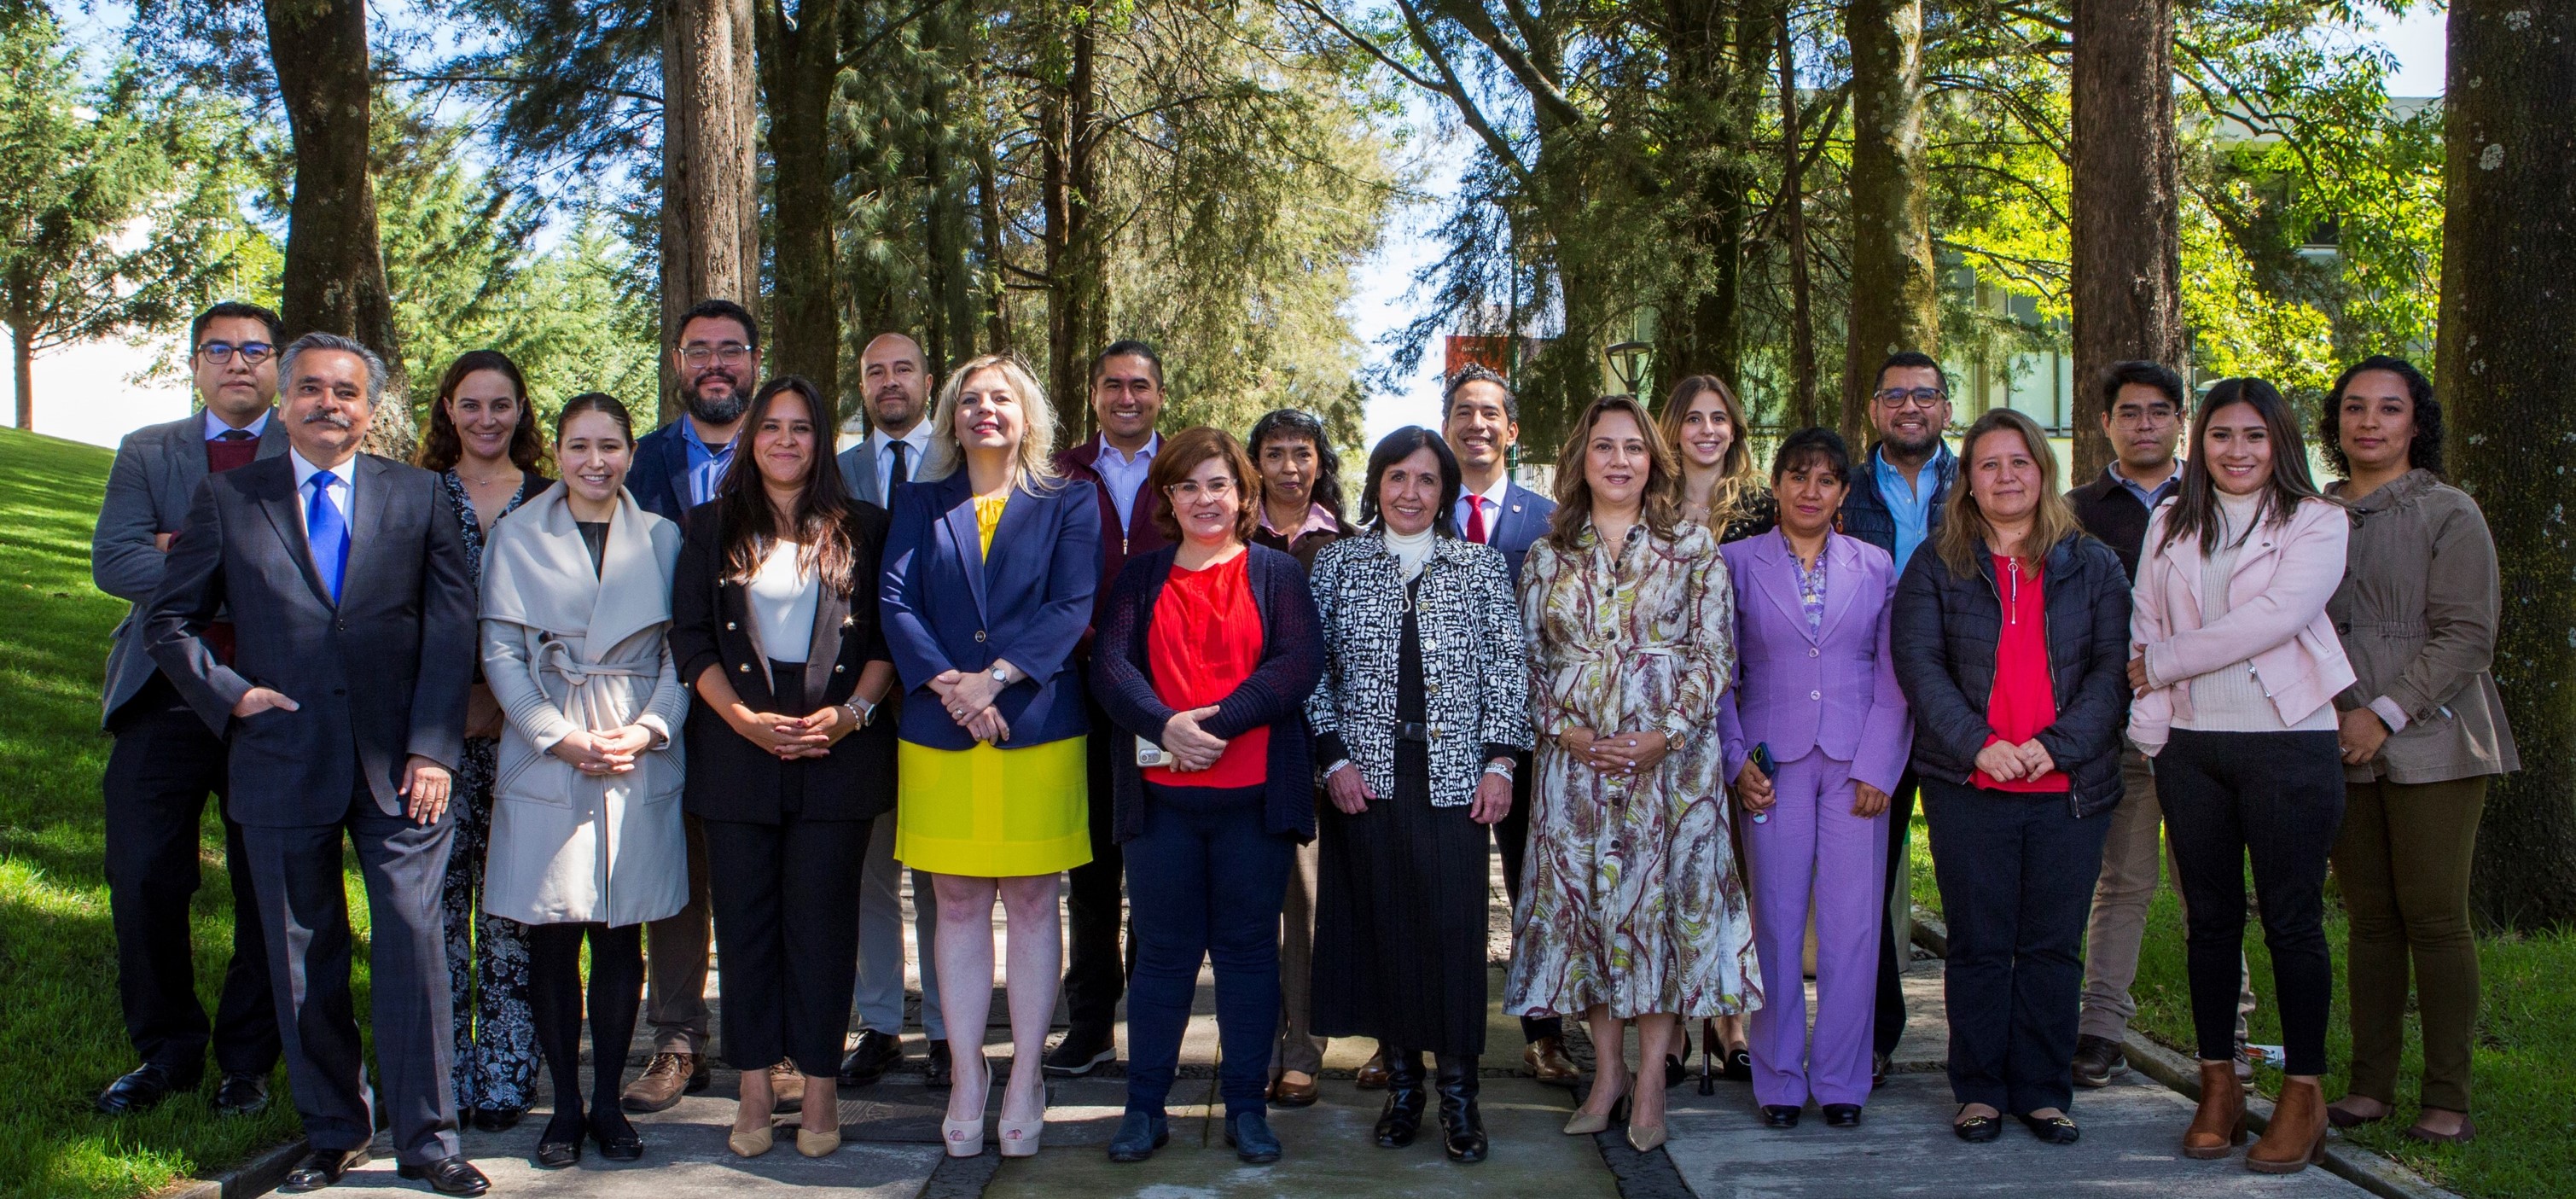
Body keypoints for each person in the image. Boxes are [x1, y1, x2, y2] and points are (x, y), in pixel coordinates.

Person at [146, 333, 488, 1196]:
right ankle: (335, 1132)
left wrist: (434, 746)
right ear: (285, 400)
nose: (327, 404)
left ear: (369, 409)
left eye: (345, 391)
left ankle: (430, 1142)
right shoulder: (231, 496)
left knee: (413, 946)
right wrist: (231, 696)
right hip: (280, 756)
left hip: (402, 768)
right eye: (310, 389)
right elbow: (169, 622)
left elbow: (453, 627)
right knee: (304, 955)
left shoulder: (419, 495)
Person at [1508, 397, 1754, 1154]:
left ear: (1654, 459)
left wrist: (1664, 734)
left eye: (1633, 448)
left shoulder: (1693, 547)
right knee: (1587, 916)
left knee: (1658, 917)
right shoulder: (1546, 555)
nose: (1619, 461)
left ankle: (1650, 1083)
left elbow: (1716, 654)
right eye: (1604, 447)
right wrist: (1569, 733)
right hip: (1574, 771)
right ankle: (1606, 1073)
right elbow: (1525, 664)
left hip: (1671, 772)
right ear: (1580, 459)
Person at [2129, 378, 2355, 1174]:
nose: (2236, 450)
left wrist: (2161, 664)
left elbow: (2272, 620)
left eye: (2254, 435)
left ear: (2278, 442)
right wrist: (2153, 725)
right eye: (2221, 434)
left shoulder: (2317, 520)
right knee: (2210, 922)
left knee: (2291, 920)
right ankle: (2217, 1085)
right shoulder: (2168, 520)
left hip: (2289, 742)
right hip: (2192, 746)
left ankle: (2302, 1093)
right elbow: (2144, 620)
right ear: (2200, 443)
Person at [668, 375, 897, 1160]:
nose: (785, 440)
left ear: (820, 440)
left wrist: (851, 713)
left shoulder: (864, 526)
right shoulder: (709, 525)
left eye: (801, 427)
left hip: (838, 748)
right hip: (737, 748)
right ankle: (755, 1087)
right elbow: (691, 639)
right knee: (746, 925)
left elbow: (886, 641)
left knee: (823, 925)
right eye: (771, 426)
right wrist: (742, 722)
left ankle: (822, 1087)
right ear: (751, 438)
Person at [1892, 408, 2130, 1149]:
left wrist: (2055, 747)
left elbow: (2111, 672)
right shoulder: (1936, 563)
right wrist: (1979, 746)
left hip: (2069, 787)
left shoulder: (2093, 564)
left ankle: (2042, 1091)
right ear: (1967, 479)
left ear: (2042, 471)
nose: (2005, 477)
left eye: (2018, 462)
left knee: (2053, 945)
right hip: (1971, 784)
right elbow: (1918, 665)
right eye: (1988, 464)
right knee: (1979, 943)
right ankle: (1979, 1090)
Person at [881, 353, 1100, 1158]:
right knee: (959, 900)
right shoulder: (919, 501)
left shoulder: (1068, 499)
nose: (985, 409)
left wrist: (995, 681)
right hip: (941, 727)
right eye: (970, 398)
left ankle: (1026, 1075)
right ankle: (968, 1075)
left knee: (1036, 899)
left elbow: (1071, 604)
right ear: (951, 416)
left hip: (1034, 723)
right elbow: (895, 599)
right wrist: (953, 686)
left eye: (1000, 397)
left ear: (1026, 413)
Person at [1091, 428, 1325, 1164]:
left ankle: (1247, 1109)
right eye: (1187, 486)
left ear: (1242, 492)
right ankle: (1144, 1109)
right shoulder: (1141, 577)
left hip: (1253, 799)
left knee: (1248, 954)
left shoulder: (1275, 573)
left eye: (1217, 483)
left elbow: (1298, 664)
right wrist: (1165, 725)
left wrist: (1212, 726)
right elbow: (1110, 667)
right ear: (1167, 497)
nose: (1204, 499)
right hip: (1160, 803)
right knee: (1161, 955)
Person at [1307, 426, 1532, 1164]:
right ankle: (1404, 1090)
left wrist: (1500, 763)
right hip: (1363, 781)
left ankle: (1460, 1099)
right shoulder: (1338, 563)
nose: (1410, 491)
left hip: (1454, 781)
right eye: (1397, 476)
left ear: (1446, 491)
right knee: (1384, 934)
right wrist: (1332, 758)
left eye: (1426, 479)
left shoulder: (1478, 567)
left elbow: (1508, 670)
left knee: (1450, 936)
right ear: (1375, 483)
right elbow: (1311, 672)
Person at [475, 393, 689, 1168]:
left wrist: (649, 728)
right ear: (557, 452)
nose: (595, 461)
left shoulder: (663, 536)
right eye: (578, 446)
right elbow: (500, 649)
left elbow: (681, 651)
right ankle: (562, 1104)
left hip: (633, 746)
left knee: (621, 930)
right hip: (549, 741)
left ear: (631, 452)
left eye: (610, 446)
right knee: (553, 930)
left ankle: (608, 1102)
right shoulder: (516, 533)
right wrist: (555, 734)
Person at [90, 302, 288, 1119]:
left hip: (272, 697)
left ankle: (247, 1062)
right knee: (142, 875)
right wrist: (242, 570)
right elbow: (114, 559)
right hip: (163, 692)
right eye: (219, 348)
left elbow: (318, 572)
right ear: (196, 362)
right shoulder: (148, 449)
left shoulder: (305, 448)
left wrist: (181, 551)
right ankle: (166, 1050)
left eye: (255, 349)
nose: (238, 362)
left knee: (268, 884)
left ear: (277, 365)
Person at [2315, 357, 2515, 1144]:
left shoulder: (2448, 512)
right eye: (2354, 407)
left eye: (2388, 408)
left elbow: (2467, 634)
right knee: (2369, 920)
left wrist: (2383, 714)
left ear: (2415, 422)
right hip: (2335, 738)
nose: (2368, 421)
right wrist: (2338, 717)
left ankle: (2446, 1097)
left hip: (2434, 738)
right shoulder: (2310, 514)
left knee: (2433, 916)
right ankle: (2369, 1086)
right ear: (2335, 422)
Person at [2062, 363, 2255, 1089]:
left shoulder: (2218, 497)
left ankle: (2231, 1033)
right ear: (2105, 423)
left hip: (2209, 724)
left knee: (2210, 883)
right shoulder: (2076, 511)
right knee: (2121, 880)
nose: (2143, 424)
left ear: (2181, 420)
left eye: (2158, 411)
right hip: (2115, 726)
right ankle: (2101, 1028)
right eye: (2128, 412)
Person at [1718, 427, 1909, 1129]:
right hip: (1770, 766)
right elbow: (1718, 672)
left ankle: (1840, 1078)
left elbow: (1893, 674)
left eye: (1825, 479)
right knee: (1773, 919)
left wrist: (1880, 764)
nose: (1810, 490)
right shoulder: (1735, 562)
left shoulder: (1875, 565)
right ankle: (1775, 1077)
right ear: (1776, 485)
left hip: (1856, 766)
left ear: (1842, 493)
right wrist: (1735, 758)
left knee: (1852, 926)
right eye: (1796, 475)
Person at [621, 298, 760, 1112]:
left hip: (763, 699)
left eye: (730, 349)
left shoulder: (786, 452)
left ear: (753, 361)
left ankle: (765, 1041)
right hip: (658, 693)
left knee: (755, 873)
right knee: (676, 875)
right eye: (698, 349)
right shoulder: (637, 462)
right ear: (677, 362)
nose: (715, 364)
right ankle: (676, 1040)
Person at [415, 350, 550, 1130]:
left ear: (521, 410)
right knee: (438, 904)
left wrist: (508, 702)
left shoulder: (550, 497)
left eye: (501, 404)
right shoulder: (416, 495)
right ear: (447, 409)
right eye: (471, 404)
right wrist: (446, 706)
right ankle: (442, 1070)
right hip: (433, 735)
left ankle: (505, 1070)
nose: (487, 419)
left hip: (527, 730)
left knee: (511, 905)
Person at [1436, 364, 1573, 1086]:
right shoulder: (1419, 510)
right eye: (1464, 411)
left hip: (1530, 737)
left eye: (1490, 413)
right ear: (1446, 426)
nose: (1477, 424)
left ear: (1511, 430)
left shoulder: (1550, 520)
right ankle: (1408, 1034)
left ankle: (1545, 1034)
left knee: (1534, 887)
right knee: (1433, 888)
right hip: (1437, 736)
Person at [1046, 340, 1171, 1078]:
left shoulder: (1182, 468)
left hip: (1164, 701)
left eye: (1140, 385)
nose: (1127, 397)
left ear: (1159, 394)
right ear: (1093, 394)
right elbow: (1044, 579)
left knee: (1153, 869)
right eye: (1113, 385)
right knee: (1090, 872)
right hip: (1080, 691)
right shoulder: (1058, 473)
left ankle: (1152, 1024)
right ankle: (1089, 1025)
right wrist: (1096, 648)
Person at [833, 330, 950, 1089]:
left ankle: (946, 1025)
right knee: (869, 871)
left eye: (903, 368)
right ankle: (878, 1023)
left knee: (941, 872)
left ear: (928, 381)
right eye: (875, 371)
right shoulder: (836, 469)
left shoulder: (959, 459)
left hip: (939, 693)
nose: (889, 381)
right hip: (856, 699)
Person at [1836, 350, 1957, 1086]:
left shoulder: (1979, 482)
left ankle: (1979, 1043)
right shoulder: (1842, 490)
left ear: (1945, 407)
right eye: (1894, 396)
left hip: (1960, 707)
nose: (1909, 407)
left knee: (1970, 877)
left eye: (1924, 394)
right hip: (1871, 708)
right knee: (1865, 880)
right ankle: (1874, 1035)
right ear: (1874, 409)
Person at [1243, 408, 1356, 1109]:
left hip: (1318, 748)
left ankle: (1302, 1050)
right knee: (1249, 904)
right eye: (1275, 453)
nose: (1289, 466)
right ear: (1255, 462)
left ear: (1320, 462)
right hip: (1242, 739)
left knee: (1306, 906)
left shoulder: (1347, 542)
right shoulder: (1230, 533)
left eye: (1302, 453)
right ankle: (1252, 1044)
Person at [1660, 374, 1778, 543]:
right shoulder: (1653, 505)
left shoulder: (1762, 506)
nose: (1708, 430)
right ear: (1674, 430)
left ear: (1733, 431)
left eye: (1718, 419)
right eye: (1693, 419)